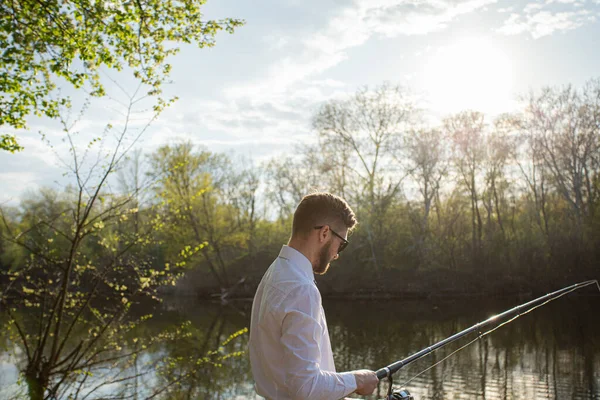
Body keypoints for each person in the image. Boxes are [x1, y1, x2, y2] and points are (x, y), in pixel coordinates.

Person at [249, 192, 379, 399]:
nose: (337, 254)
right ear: (324, 233)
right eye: (342, 244)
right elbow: (306, 388)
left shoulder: (275, 272)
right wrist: (358, 380)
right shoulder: (301, 289)